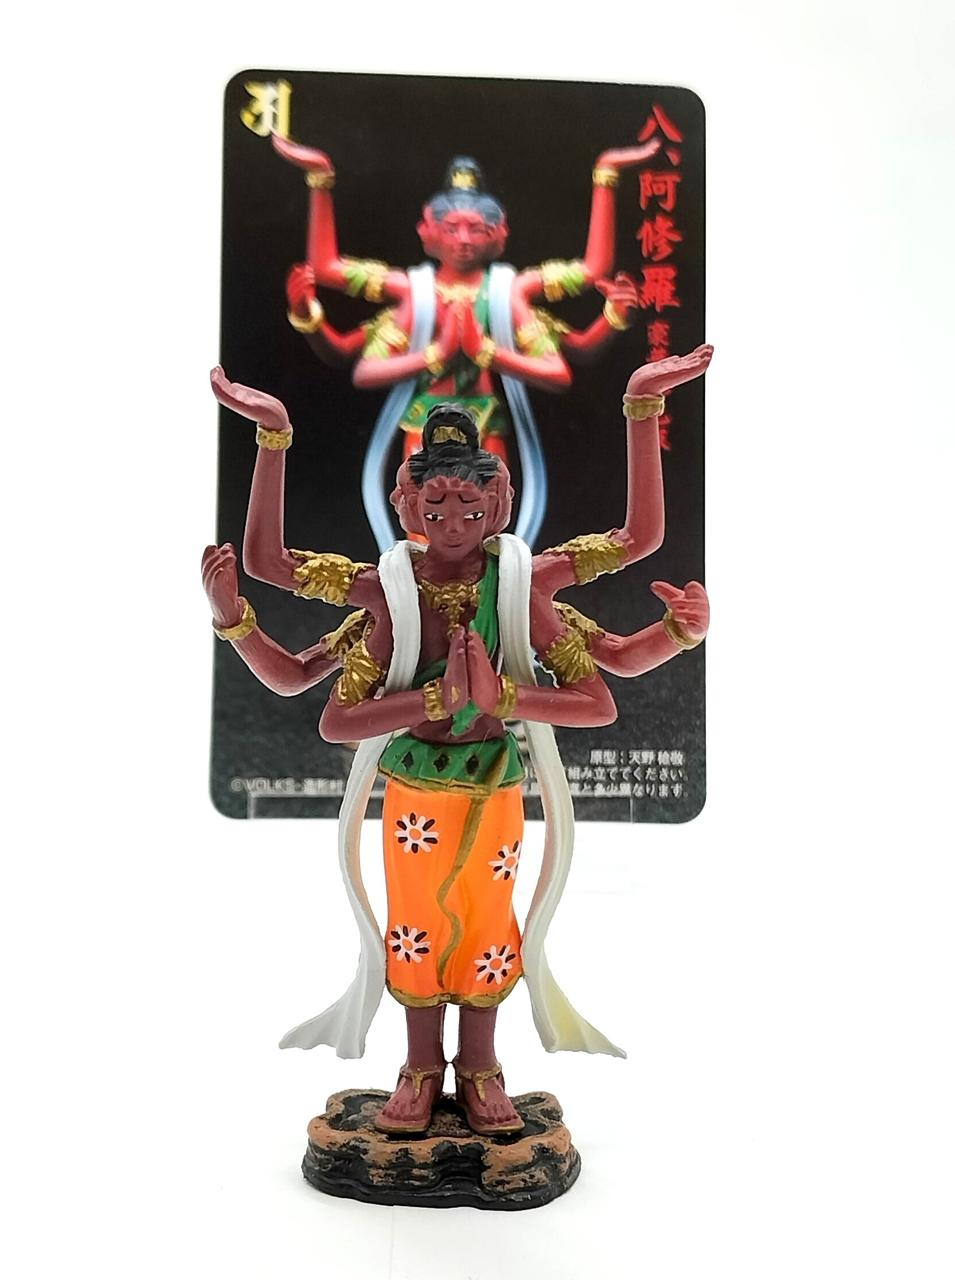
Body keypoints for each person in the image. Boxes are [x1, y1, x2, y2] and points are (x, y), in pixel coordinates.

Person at [201, 344, 712, 1135]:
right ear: (405, 506)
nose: (451, 527)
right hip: (412, 788)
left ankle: (479, 1065)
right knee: (413, 930)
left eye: (469, 512)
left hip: (494, 786)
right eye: (435, 512)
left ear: (498, 504)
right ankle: (417, 1065)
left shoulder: (524, 583)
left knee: (486, 927)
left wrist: (642, 410)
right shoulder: (386, 590)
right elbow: (292, 648)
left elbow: (619, 618)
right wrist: (273, 443)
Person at [275, 136, 661, 550]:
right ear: (428, 231)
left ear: (498, 234)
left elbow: (583, 307)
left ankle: (488, 589)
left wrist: (605, 177)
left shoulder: (508, 292)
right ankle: (420, 588)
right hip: (421, 425)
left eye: (476, 228)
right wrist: (320, 180)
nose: (463, 238)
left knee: (488, 521)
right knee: (422, 522)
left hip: (485, 423)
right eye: (451, 227)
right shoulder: (417, 293)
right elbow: (335, 294)